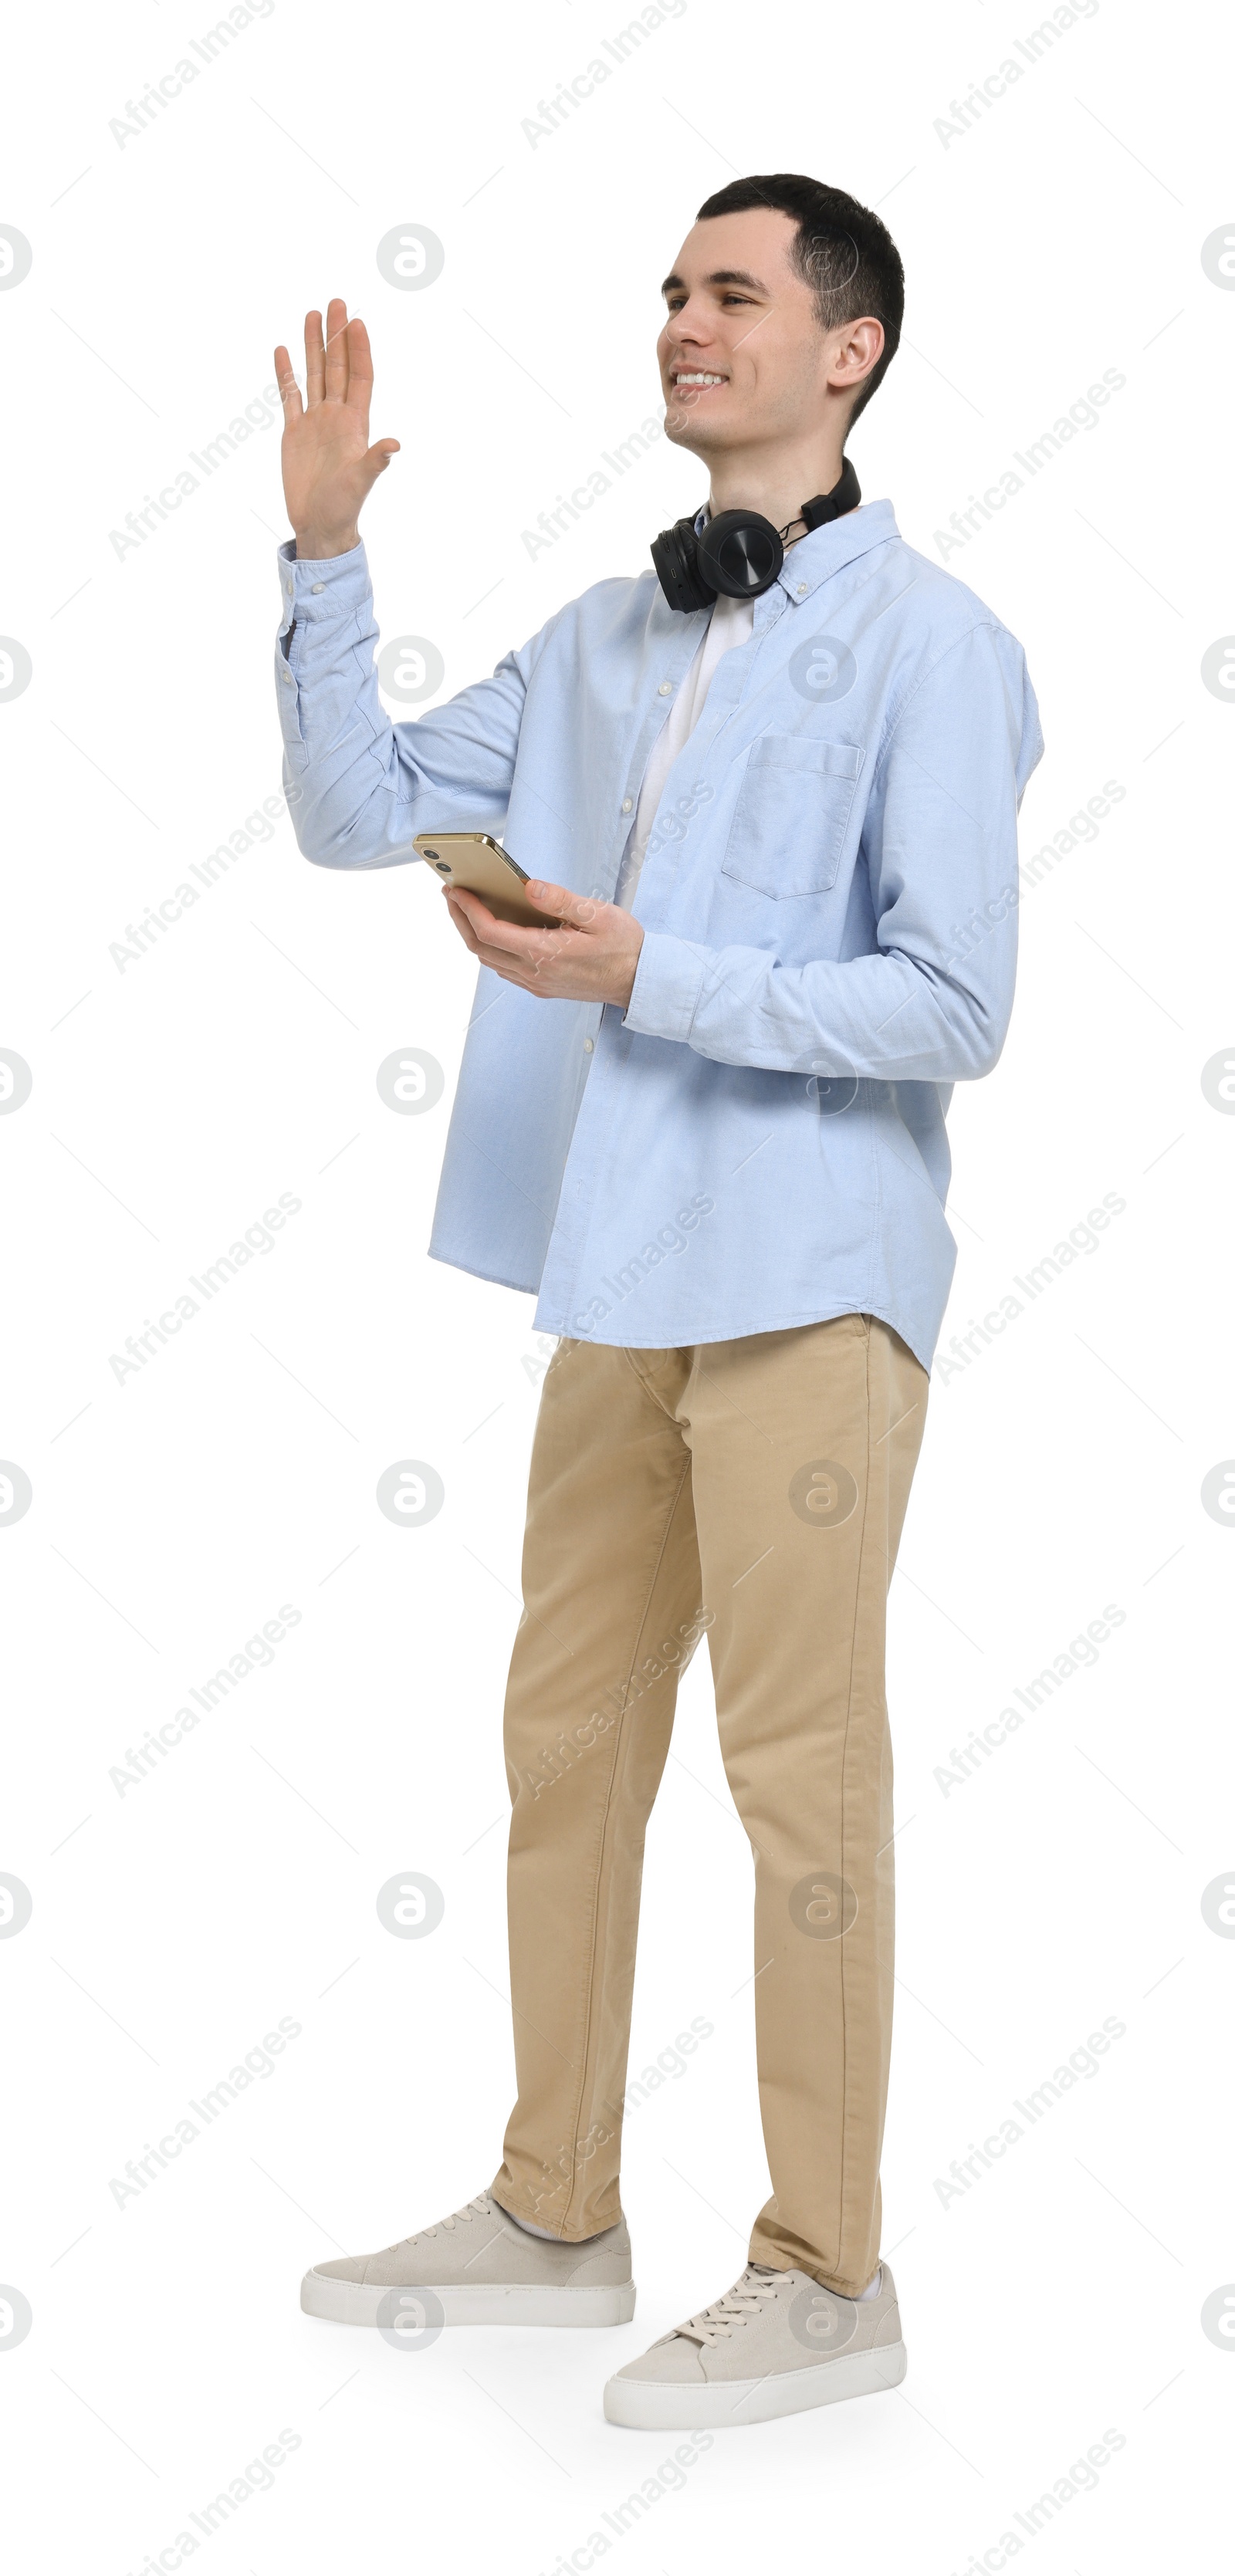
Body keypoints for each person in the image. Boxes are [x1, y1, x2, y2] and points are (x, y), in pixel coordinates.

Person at [274, 172, 1042, 2430]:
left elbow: (955, 1002)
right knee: (565, 1745)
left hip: (813, 1280)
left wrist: (649, 971)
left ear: (850, 348)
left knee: (797, 1776)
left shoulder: (943, 643)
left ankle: (827, 2267)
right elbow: (353, 810)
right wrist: (325, 556)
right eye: (673, 293)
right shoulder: (608, 637)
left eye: (733, 293)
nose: (685, 323)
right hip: (612, 1273)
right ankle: (553, 2206)